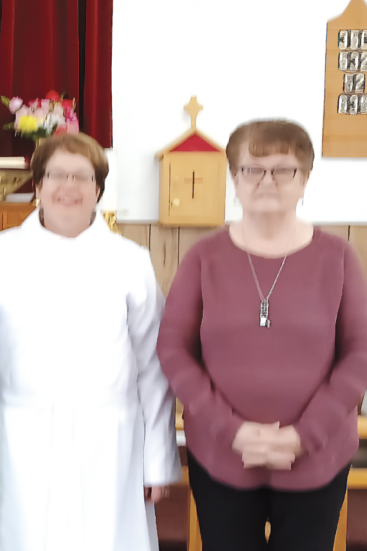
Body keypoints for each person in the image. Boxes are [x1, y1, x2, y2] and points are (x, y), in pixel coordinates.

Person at [158, 120, 367, 551]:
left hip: (316, 456)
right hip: (222, 453)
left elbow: (360, 354)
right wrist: (230, 429)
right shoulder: (204, 257)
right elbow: (174, 350)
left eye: (283, 169)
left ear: (305, 179)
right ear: (235, 178)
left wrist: (302, 436)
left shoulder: (338, 257)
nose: (266, 179)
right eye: (252, 168)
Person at [0, 133, 181, 551]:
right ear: (37, 185)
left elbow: (153, 366)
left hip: (108, 445)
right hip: (15, 441)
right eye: (56, 175)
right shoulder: (1, 255)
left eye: (82, 177)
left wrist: (156, 460)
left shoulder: (129, 261)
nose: (69, 187)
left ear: (98, 190)